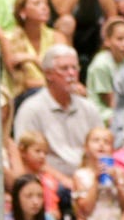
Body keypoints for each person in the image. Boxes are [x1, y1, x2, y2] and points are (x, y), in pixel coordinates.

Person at [13, 46, 102, 177]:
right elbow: (26, 156)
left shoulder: (89, 108)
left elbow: (104, 147)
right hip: (50, 179)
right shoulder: (31, 109)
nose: (71, 73)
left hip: (87, 177)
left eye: (74, 68)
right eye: (64, 69)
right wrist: (66, 183)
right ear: (48, 74)